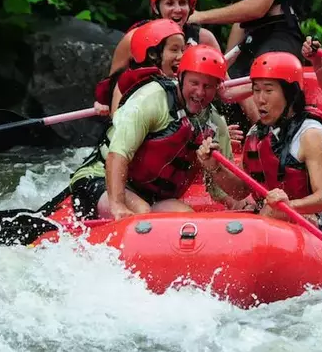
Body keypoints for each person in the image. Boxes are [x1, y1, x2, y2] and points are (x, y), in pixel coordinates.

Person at [66, 45, 239, 221]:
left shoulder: (215, 123)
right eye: (194, 83)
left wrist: (215, 169)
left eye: (208, 86)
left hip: (150, 197)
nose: (200, 92)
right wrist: (117, 205)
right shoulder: (151, 99)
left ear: (218, 87)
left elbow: (231, 192)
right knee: (142, 213)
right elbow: (118, 155)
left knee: (185, 218)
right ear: (181, 77)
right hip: (99, 179)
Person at [196, 52, 322, 234]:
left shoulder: (310, 133)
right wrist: (215, 168)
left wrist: (286, 206)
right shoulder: (257, 133)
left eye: (268, 90)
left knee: (273, 213)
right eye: (256, 90)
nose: (260, 99)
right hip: (283, 217)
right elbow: (240, 191)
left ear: (290, 94)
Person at [108, 0, 221, 77]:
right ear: (157, 8)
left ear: (190, 8)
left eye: (182, 3)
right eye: (169, 3)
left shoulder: (205, 39)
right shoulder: (133, 37)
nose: (177, 9)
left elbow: (223, 84)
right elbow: (113, 83)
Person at [96, 19, 186, 114]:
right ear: (153, 54)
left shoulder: (183, 82)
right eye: (174, 50)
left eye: (183, 50)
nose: (182, 57)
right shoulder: (128, 84)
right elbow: (121, 126)